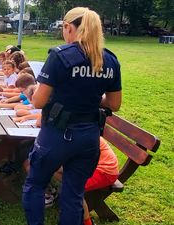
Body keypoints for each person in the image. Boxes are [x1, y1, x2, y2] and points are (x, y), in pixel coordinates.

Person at [22, 7, 122, 225]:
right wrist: (90, 97)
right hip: (88, 137)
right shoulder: (110, 61)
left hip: (57, 134)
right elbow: (114, 104)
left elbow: (38, 101)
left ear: (68, 27)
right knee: (74, 194)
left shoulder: (60, 56)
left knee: (35, 184)